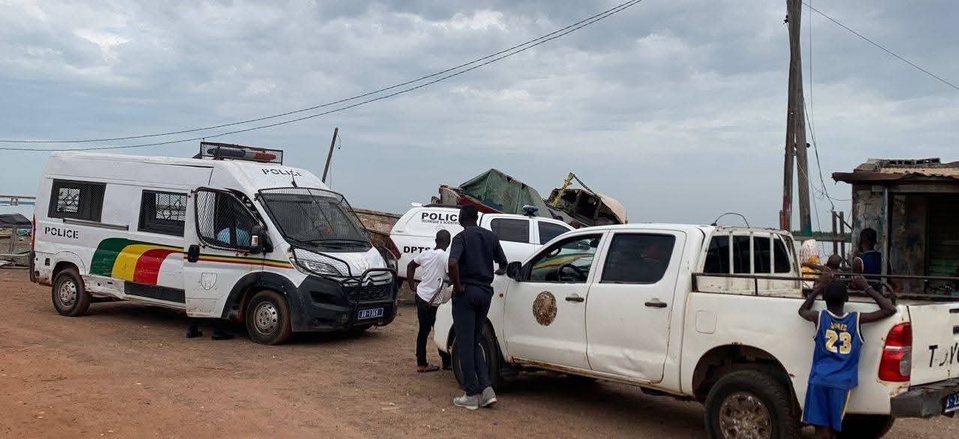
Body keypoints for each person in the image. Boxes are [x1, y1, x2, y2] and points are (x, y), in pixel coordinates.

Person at [798, 271, 897, 438]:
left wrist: (819, 288)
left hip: (819, 380)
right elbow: (889, 309)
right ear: (847, 299)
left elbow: (802, 310)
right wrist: (866, 288)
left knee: (820, 430)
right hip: (841, 382)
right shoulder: (856, 319)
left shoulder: (819, 317)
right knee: (834, 429)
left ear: (824, 298)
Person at [448, 205, 507, 410]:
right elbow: (503, 263)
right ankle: (487, 390)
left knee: (464, 344)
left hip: (466, 294)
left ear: (461, 218)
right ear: (477, 218)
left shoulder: (461, 238)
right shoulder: (491, 237)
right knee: (474, 343)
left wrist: (458, 287)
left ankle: (471, 394)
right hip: (485, 293)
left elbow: (452, 263)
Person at [407, 230, 453, 373]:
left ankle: (421, 363)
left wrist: (412, 286)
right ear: (449, 242)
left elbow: (410, 266)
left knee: (423, 331)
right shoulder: (445, 257)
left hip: (422, 296)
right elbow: (451, 275)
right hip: (435, 301)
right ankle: (446, 362)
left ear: (435, 241)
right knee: (440, 330)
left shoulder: (425, 254)